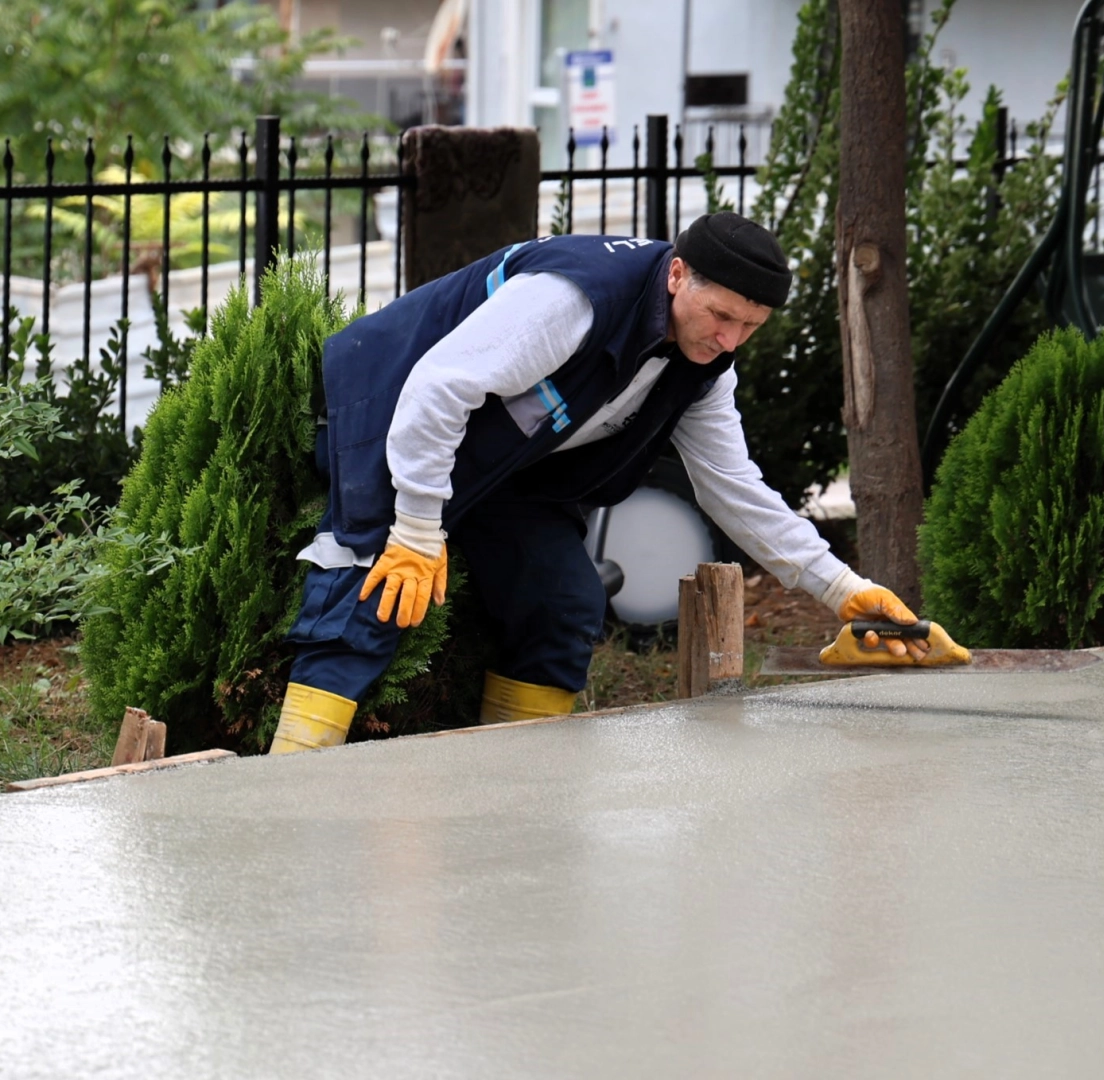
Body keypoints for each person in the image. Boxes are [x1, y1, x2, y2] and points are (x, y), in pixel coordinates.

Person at [270, 212, 926, 753]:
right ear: (676, 275)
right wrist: (415, 529)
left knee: (562, 602)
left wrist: (843, 589)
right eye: (721, 315)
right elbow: (439, 391)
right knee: (369, 596)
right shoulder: (575, 299)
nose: (729, 340)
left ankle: (514, 795)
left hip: (509, 466)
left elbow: (735, 487)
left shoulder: (703, 367)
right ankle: (291, 795)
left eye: (750, 328)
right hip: (394, 412)